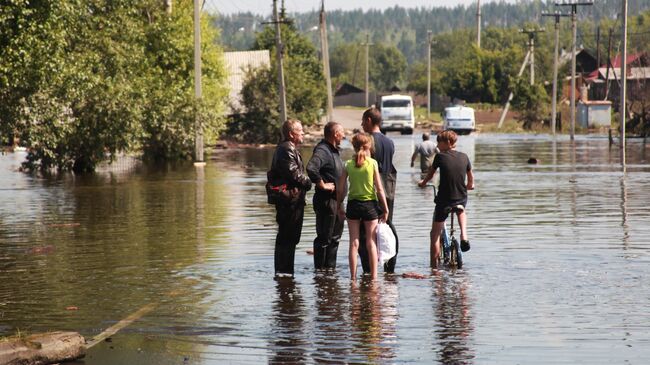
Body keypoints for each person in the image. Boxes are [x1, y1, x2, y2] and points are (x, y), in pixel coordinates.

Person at [418, 130, 474, 268]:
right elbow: (471, 178)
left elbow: (430, 175)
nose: (437, 145)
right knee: (461, 209)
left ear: (448, 143)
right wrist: (469, 185)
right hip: (461, 196)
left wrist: (423, 183)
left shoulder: (440, 157)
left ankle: (434, 267)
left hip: (444, 199)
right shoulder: (465, 156)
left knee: (435, 233)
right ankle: (464, 236)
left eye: (439, 142)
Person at [337, 133, 389, 280]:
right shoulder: (372, 163)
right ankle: (374, 278)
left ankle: (353, 278)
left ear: (353, 147)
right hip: (369, 206)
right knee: (370, 242)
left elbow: (340, 189)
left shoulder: (347, 164)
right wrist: (385, 208)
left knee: (354, 243)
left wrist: (339, 205)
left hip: (353, 205)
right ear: (368, 146)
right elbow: (379, 189)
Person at [269, 119, 312, 276]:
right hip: (288, 201)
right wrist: (308, 182)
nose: (302, 133)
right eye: (300, 130)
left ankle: (285, 274)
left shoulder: (288, 148)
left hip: (291, 200)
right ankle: (284, 273)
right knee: (287, 237)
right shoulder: (286, 149)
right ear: (291, 134)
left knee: (289, 237)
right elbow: (294, 174)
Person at [358, 107, 398, 273]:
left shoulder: (367, 141)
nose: (361, 125)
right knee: (387, 226)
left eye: (363, 121)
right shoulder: (390, 142)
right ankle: (390, 266)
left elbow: (365, 167)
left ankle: (369, 269)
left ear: (369, 120)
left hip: (371, 190)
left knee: (365, 231)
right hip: (388, 188)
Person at [306, 122, 345, 270]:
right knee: (324, 239)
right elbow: (311, 167)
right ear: (335, 134)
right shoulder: (323, 150)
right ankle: (320, 274)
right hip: (326, 201)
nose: (344, 136)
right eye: (342, 133)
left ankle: (330, 273)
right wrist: (321, 184)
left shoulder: (334, 150)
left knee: (334, 239)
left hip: (337, 201)